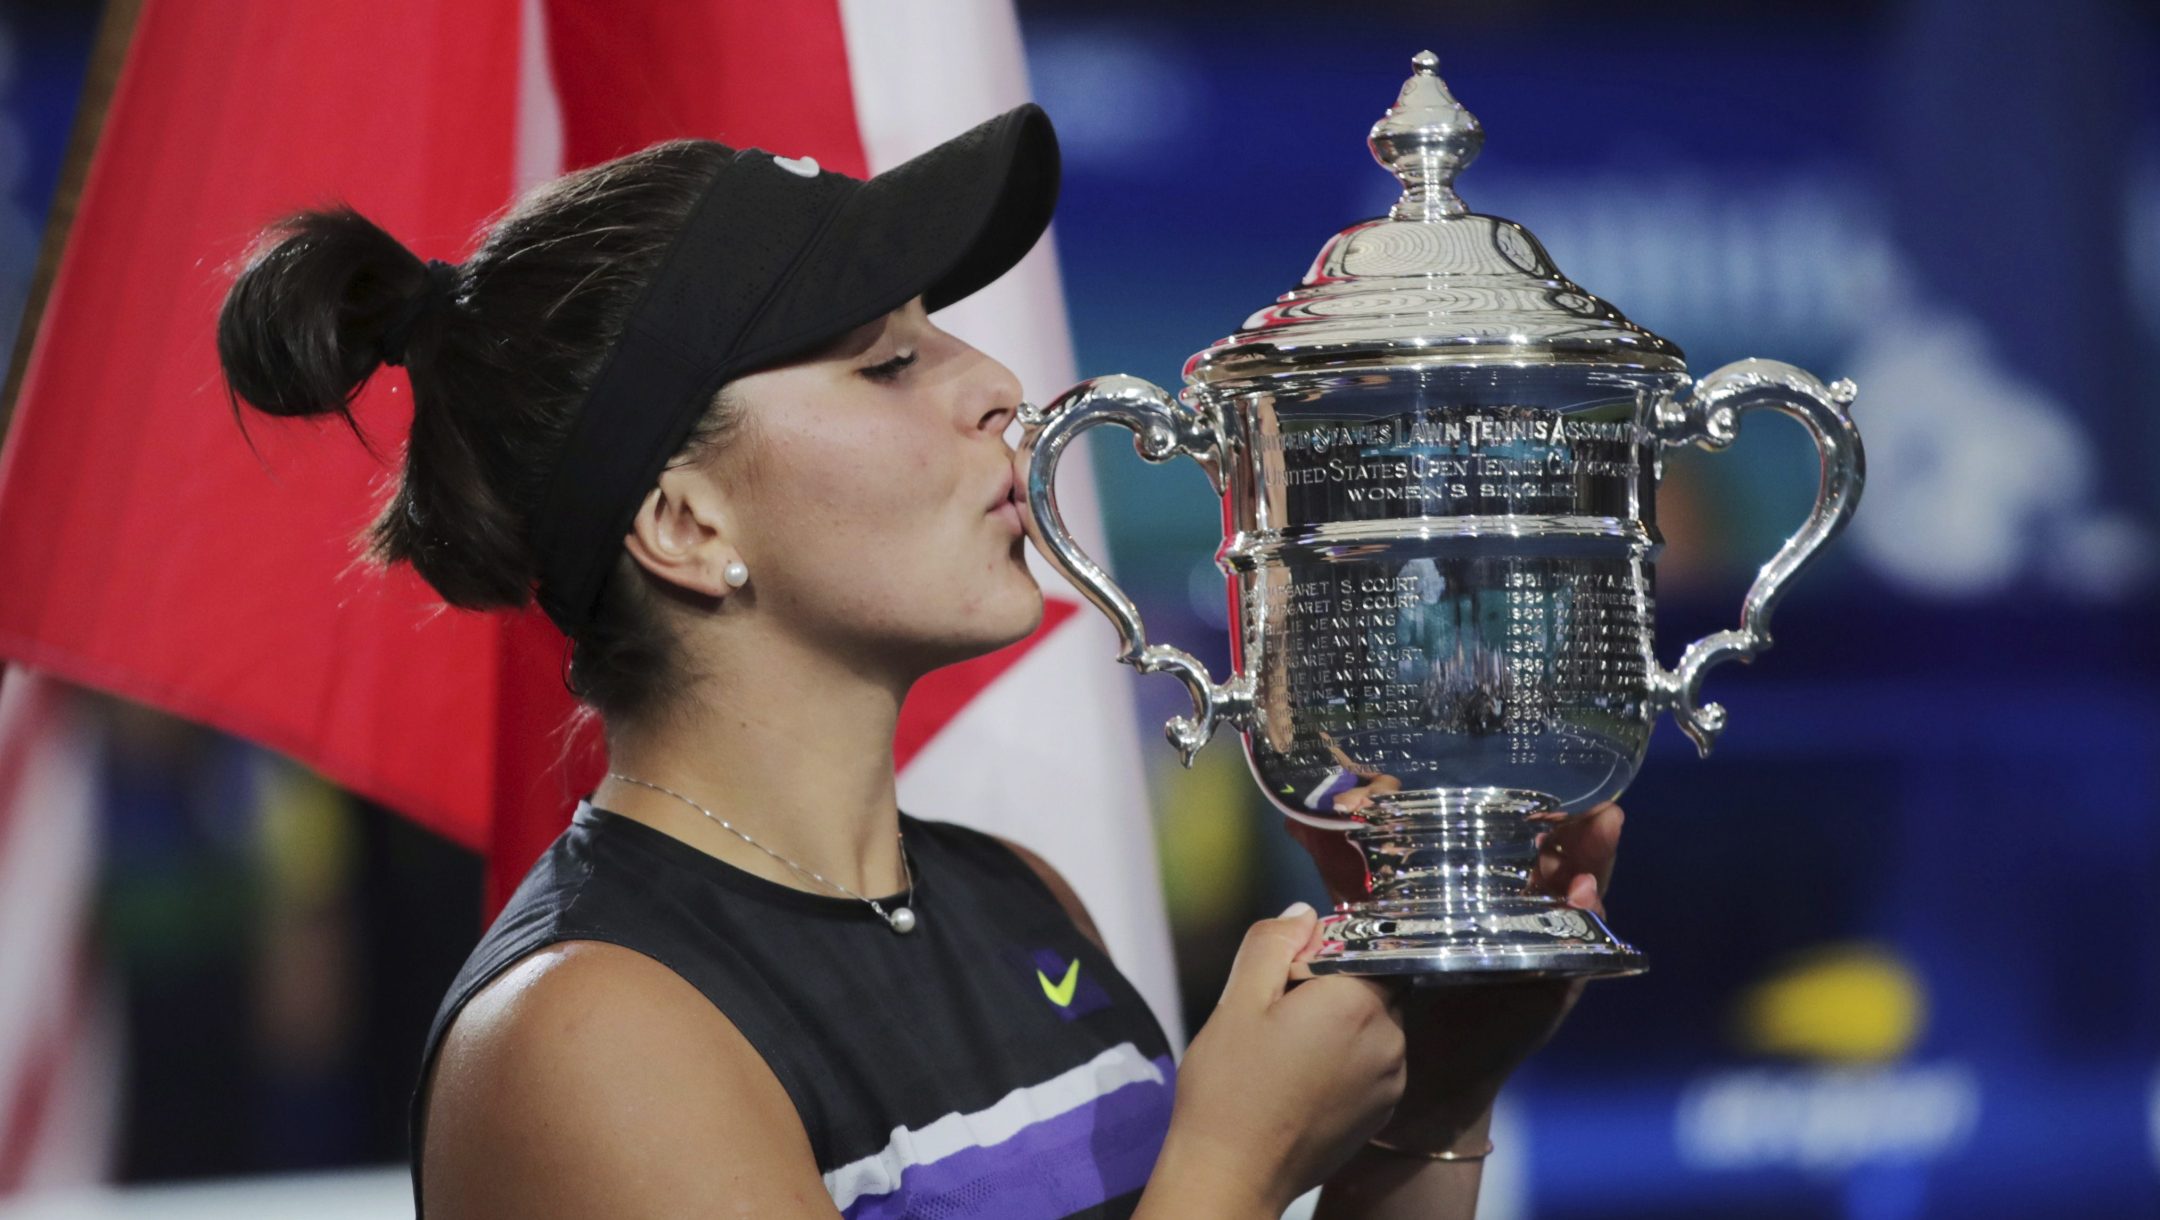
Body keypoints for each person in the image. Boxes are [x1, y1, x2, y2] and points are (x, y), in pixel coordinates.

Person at [215, 102, 1622, 1220]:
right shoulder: (586, 1043)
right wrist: (1233, 1172)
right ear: (685, 522)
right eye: (886, 363)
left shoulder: (1015, 898)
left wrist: (1428, 1112)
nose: (997, 390)